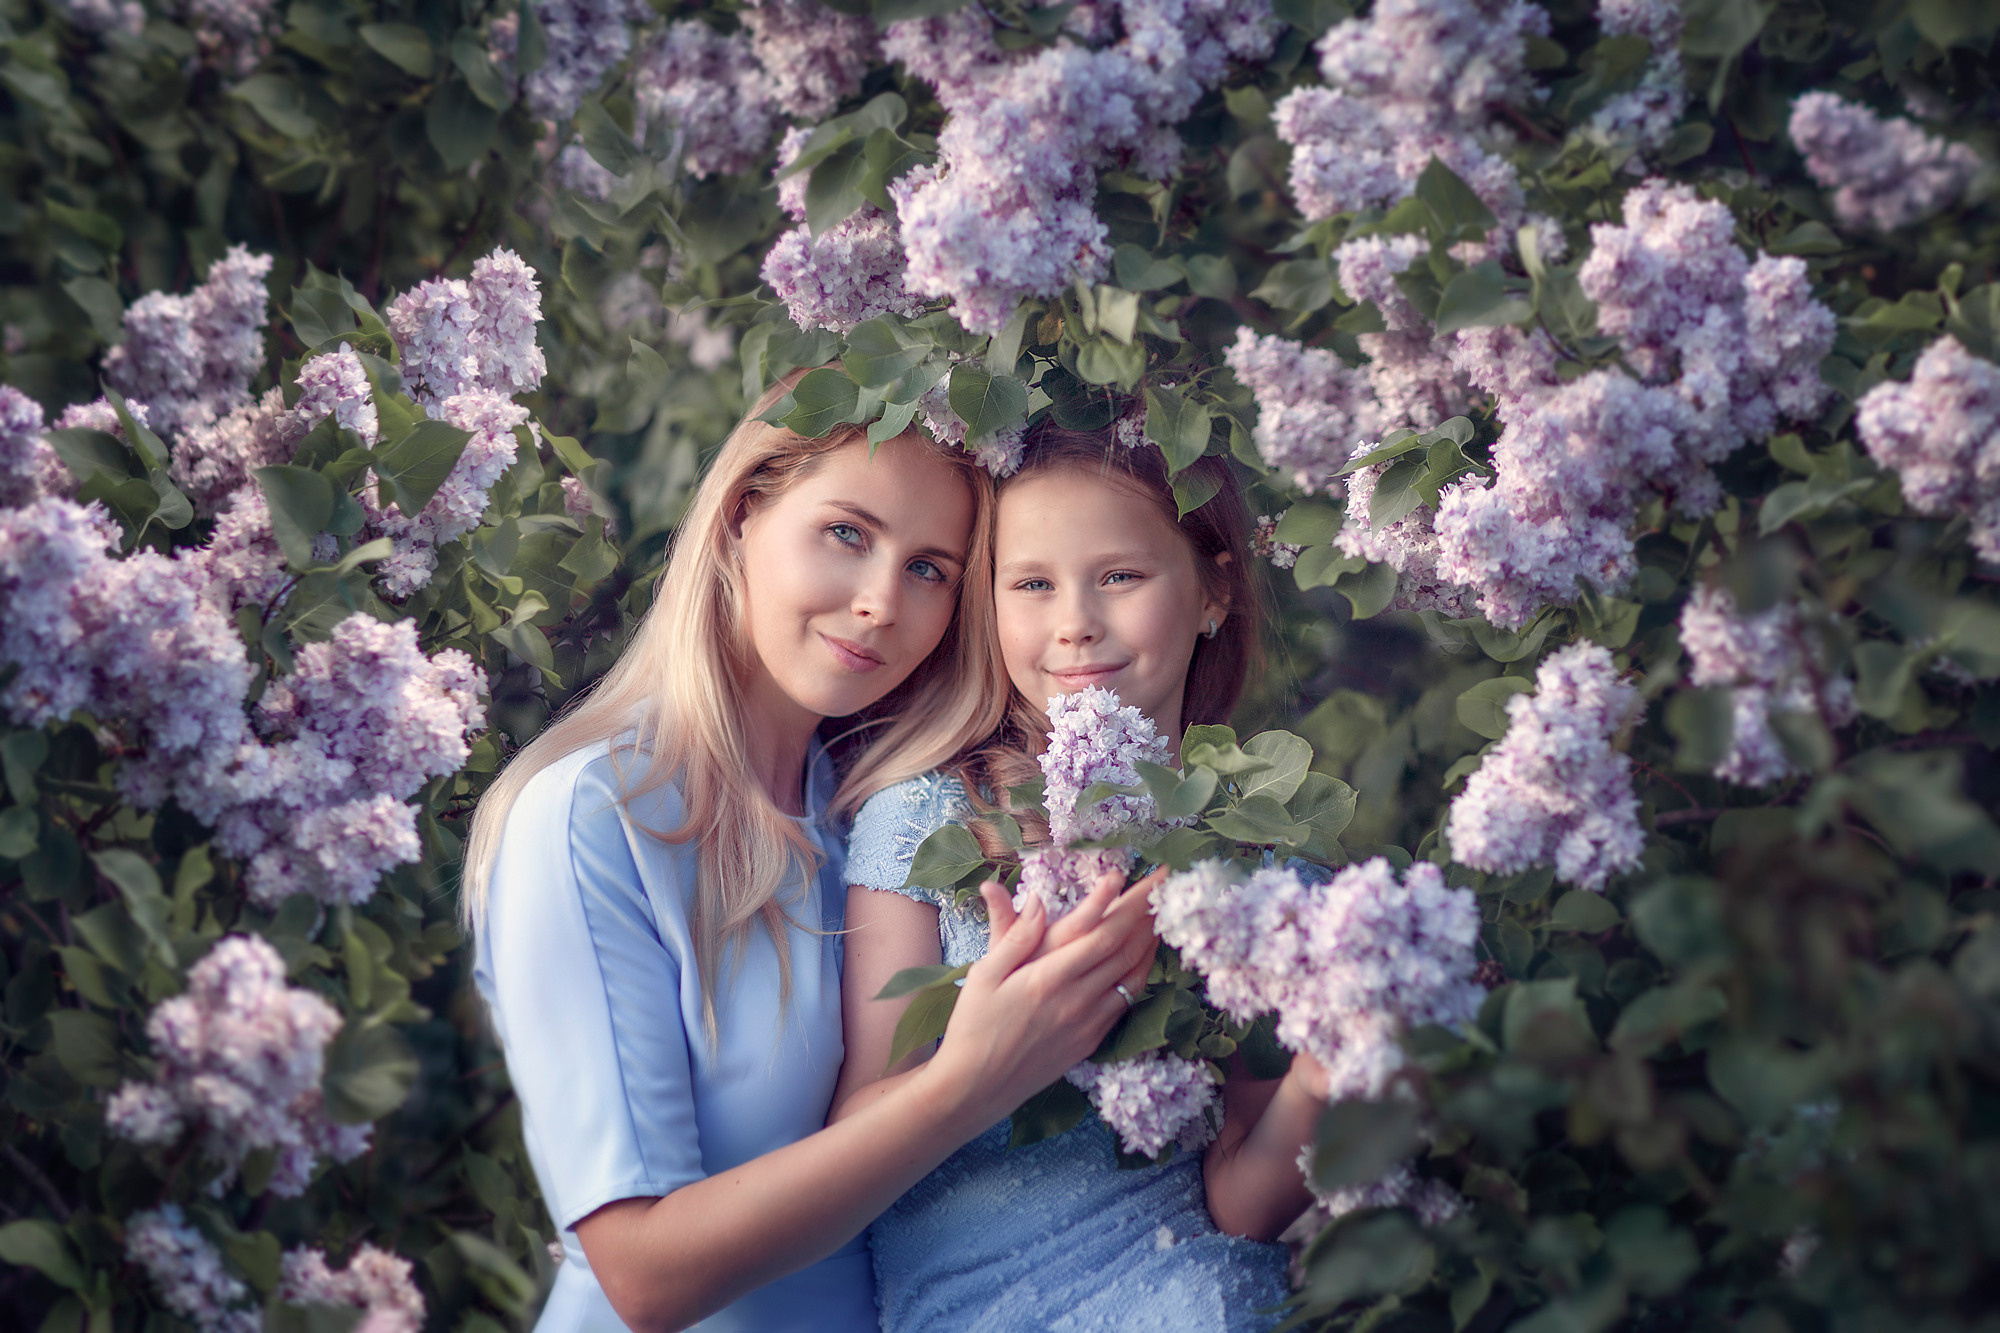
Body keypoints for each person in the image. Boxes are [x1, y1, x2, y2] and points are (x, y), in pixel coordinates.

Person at [462, 375, 1160, 1333]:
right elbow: (642, 1273)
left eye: (931, 570)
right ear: (745, 513)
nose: (880, 601)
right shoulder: (593, 818)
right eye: (847, 533)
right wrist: (966, 1082)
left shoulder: (890, 816)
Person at [833, 424, 1333, 1332]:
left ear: (1215, 589)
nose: (1074, 622)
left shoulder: (1249, 865)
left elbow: (1240, 1199)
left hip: (1192, 1289)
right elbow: (851, 1133)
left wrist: (1332, 1071)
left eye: (1119, 577)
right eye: (1031, 584)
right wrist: (997, 1044)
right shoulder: (929, 820)